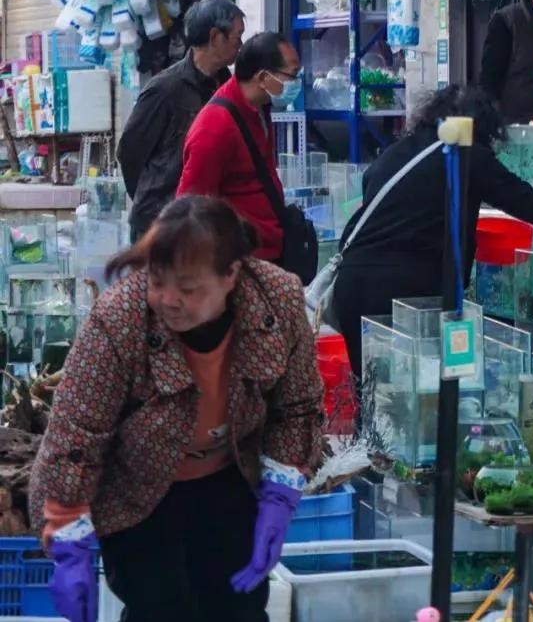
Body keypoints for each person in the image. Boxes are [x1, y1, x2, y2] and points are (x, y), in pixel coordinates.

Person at [29, 196, 323, 622]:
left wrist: (280, 496)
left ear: (231, 275)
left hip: (229, 475)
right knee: (160, 606)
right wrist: (67, 543)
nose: (167, 299)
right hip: (139, 487)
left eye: (187, 288)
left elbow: (298, 404)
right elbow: (75, 434)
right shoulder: (120, 318)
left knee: (236, 604)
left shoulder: (277, 300)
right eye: (157, 280)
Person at [331, 85, 533, 380]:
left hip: (354, 285)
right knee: (419, 394)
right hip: (408, 294)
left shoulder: (397, 152)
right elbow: (528, 203)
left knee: (373, 394)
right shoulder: (465, 156)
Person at [118, 0, 245, 242]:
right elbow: (129, 153)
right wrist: (152, 198)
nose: (240, 45)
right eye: (237, 37)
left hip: (205, 223)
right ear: (215, 38)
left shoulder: (229, 87)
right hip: (159, 225)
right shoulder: (165, 89)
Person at [177, 32, 301, 264]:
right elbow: (190, 209)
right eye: (292, 75)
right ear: (263, 78)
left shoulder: (259, 109)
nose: (297, 84)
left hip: (268, 253)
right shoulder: (215, 126)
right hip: (238, 262)